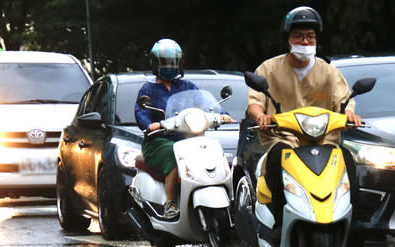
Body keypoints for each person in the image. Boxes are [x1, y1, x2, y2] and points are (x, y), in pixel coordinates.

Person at [246, 6, 362, 230]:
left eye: (310, 36)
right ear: (287, 39)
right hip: (283, 139)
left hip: (324, 142)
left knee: (348, 160)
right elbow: (255, 103)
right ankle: (278, 220)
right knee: (276, 159)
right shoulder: (268, 69)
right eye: (298, 36)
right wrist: (260, 116)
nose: (305, 41)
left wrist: (349, 114)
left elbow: (344, 101)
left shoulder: (329, 72)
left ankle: (352, 226)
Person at [135, 38, 233, 220]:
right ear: (155, 64)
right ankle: (171, 203)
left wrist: (222, 114)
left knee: (213, 153)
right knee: (174, 157)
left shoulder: (188, 86)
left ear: (181, 63)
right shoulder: (148, 89)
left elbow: (206, 104)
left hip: (188, 139)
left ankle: (230, 200)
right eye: (164, 62)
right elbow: (142, 112)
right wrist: (149, 125)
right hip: (159, 141)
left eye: (173, 62)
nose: (170, 66)